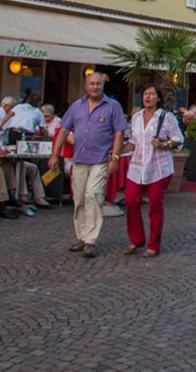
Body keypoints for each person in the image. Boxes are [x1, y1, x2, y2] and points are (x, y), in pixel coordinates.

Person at [48, 72, 127, 257]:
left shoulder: (113, 106)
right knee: (79, 199)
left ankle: (90, 239)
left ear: (103, 86)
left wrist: (115, 157)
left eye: (98, 84)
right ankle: (81, 236)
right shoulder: (77, 106)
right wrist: (54, 156)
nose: (95, 87)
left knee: (93, 195)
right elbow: (63, 130)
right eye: (92, 83)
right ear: (86, 86)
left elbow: (119, 132)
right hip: (80, 159)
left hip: (100, 159)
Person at [124, 84, 183, 258]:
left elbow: (179, 140)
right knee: (131, 201)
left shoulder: (166, 117)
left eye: (151, 94)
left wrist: (164, 144)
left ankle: (153, 244)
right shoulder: (135, 117)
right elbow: (133, 141)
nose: (147, 97)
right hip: (137, 167)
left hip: (159, 168)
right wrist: (119, 150)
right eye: (145, 94)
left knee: (155, 207)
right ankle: (137, 239)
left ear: (158, 98)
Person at [0, 110, 51, 208]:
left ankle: (39, 197)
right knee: (16, 164)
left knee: (32, 167)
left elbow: (0, 147)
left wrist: (7, 148)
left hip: (0, 158)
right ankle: (18, 195)